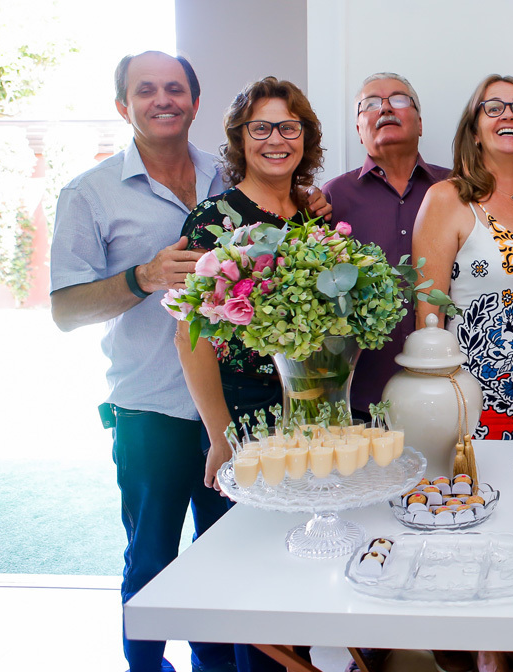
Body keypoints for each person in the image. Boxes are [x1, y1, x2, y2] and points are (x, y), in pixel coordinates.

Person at [50, 51, 236, 672]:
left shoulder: (230, 178)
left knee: (226, 559)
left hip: (233, 409)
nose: (163, 100)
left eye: (175, 88)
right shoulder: (90, 193)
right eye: (146, 89)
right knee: (152, 559)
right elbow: (66, 311)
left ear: (195, 103)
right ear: (122, 105)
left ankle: (215, 664)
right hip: (150, 410)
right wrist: (144, 277)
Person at [176, 77, 321, 490]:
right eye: (260, 128)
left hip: (308, 403)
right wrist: (221, 436)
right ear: (240, 139)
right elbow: (190, 335)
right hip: (243, 405)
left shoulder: (315, 218)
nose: (276, 139)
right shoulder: (213, 220)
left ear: (305, 137)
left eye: (288, 127)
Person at [414, 73, 513, 441]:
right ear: (475, 132)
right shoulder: (446, 199)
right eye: (493, 108)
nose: (508, 114)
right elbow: (427, 320)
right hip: (471, 399)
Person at [321, 74, 448, 419]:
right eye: (371, 104)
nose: (386, 108)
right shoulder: (332, 198)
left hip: (447, 390)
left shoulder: (457, 188)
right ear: (358, 129)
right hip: (362, 397)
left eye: (399, 99)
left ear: (420, 123)